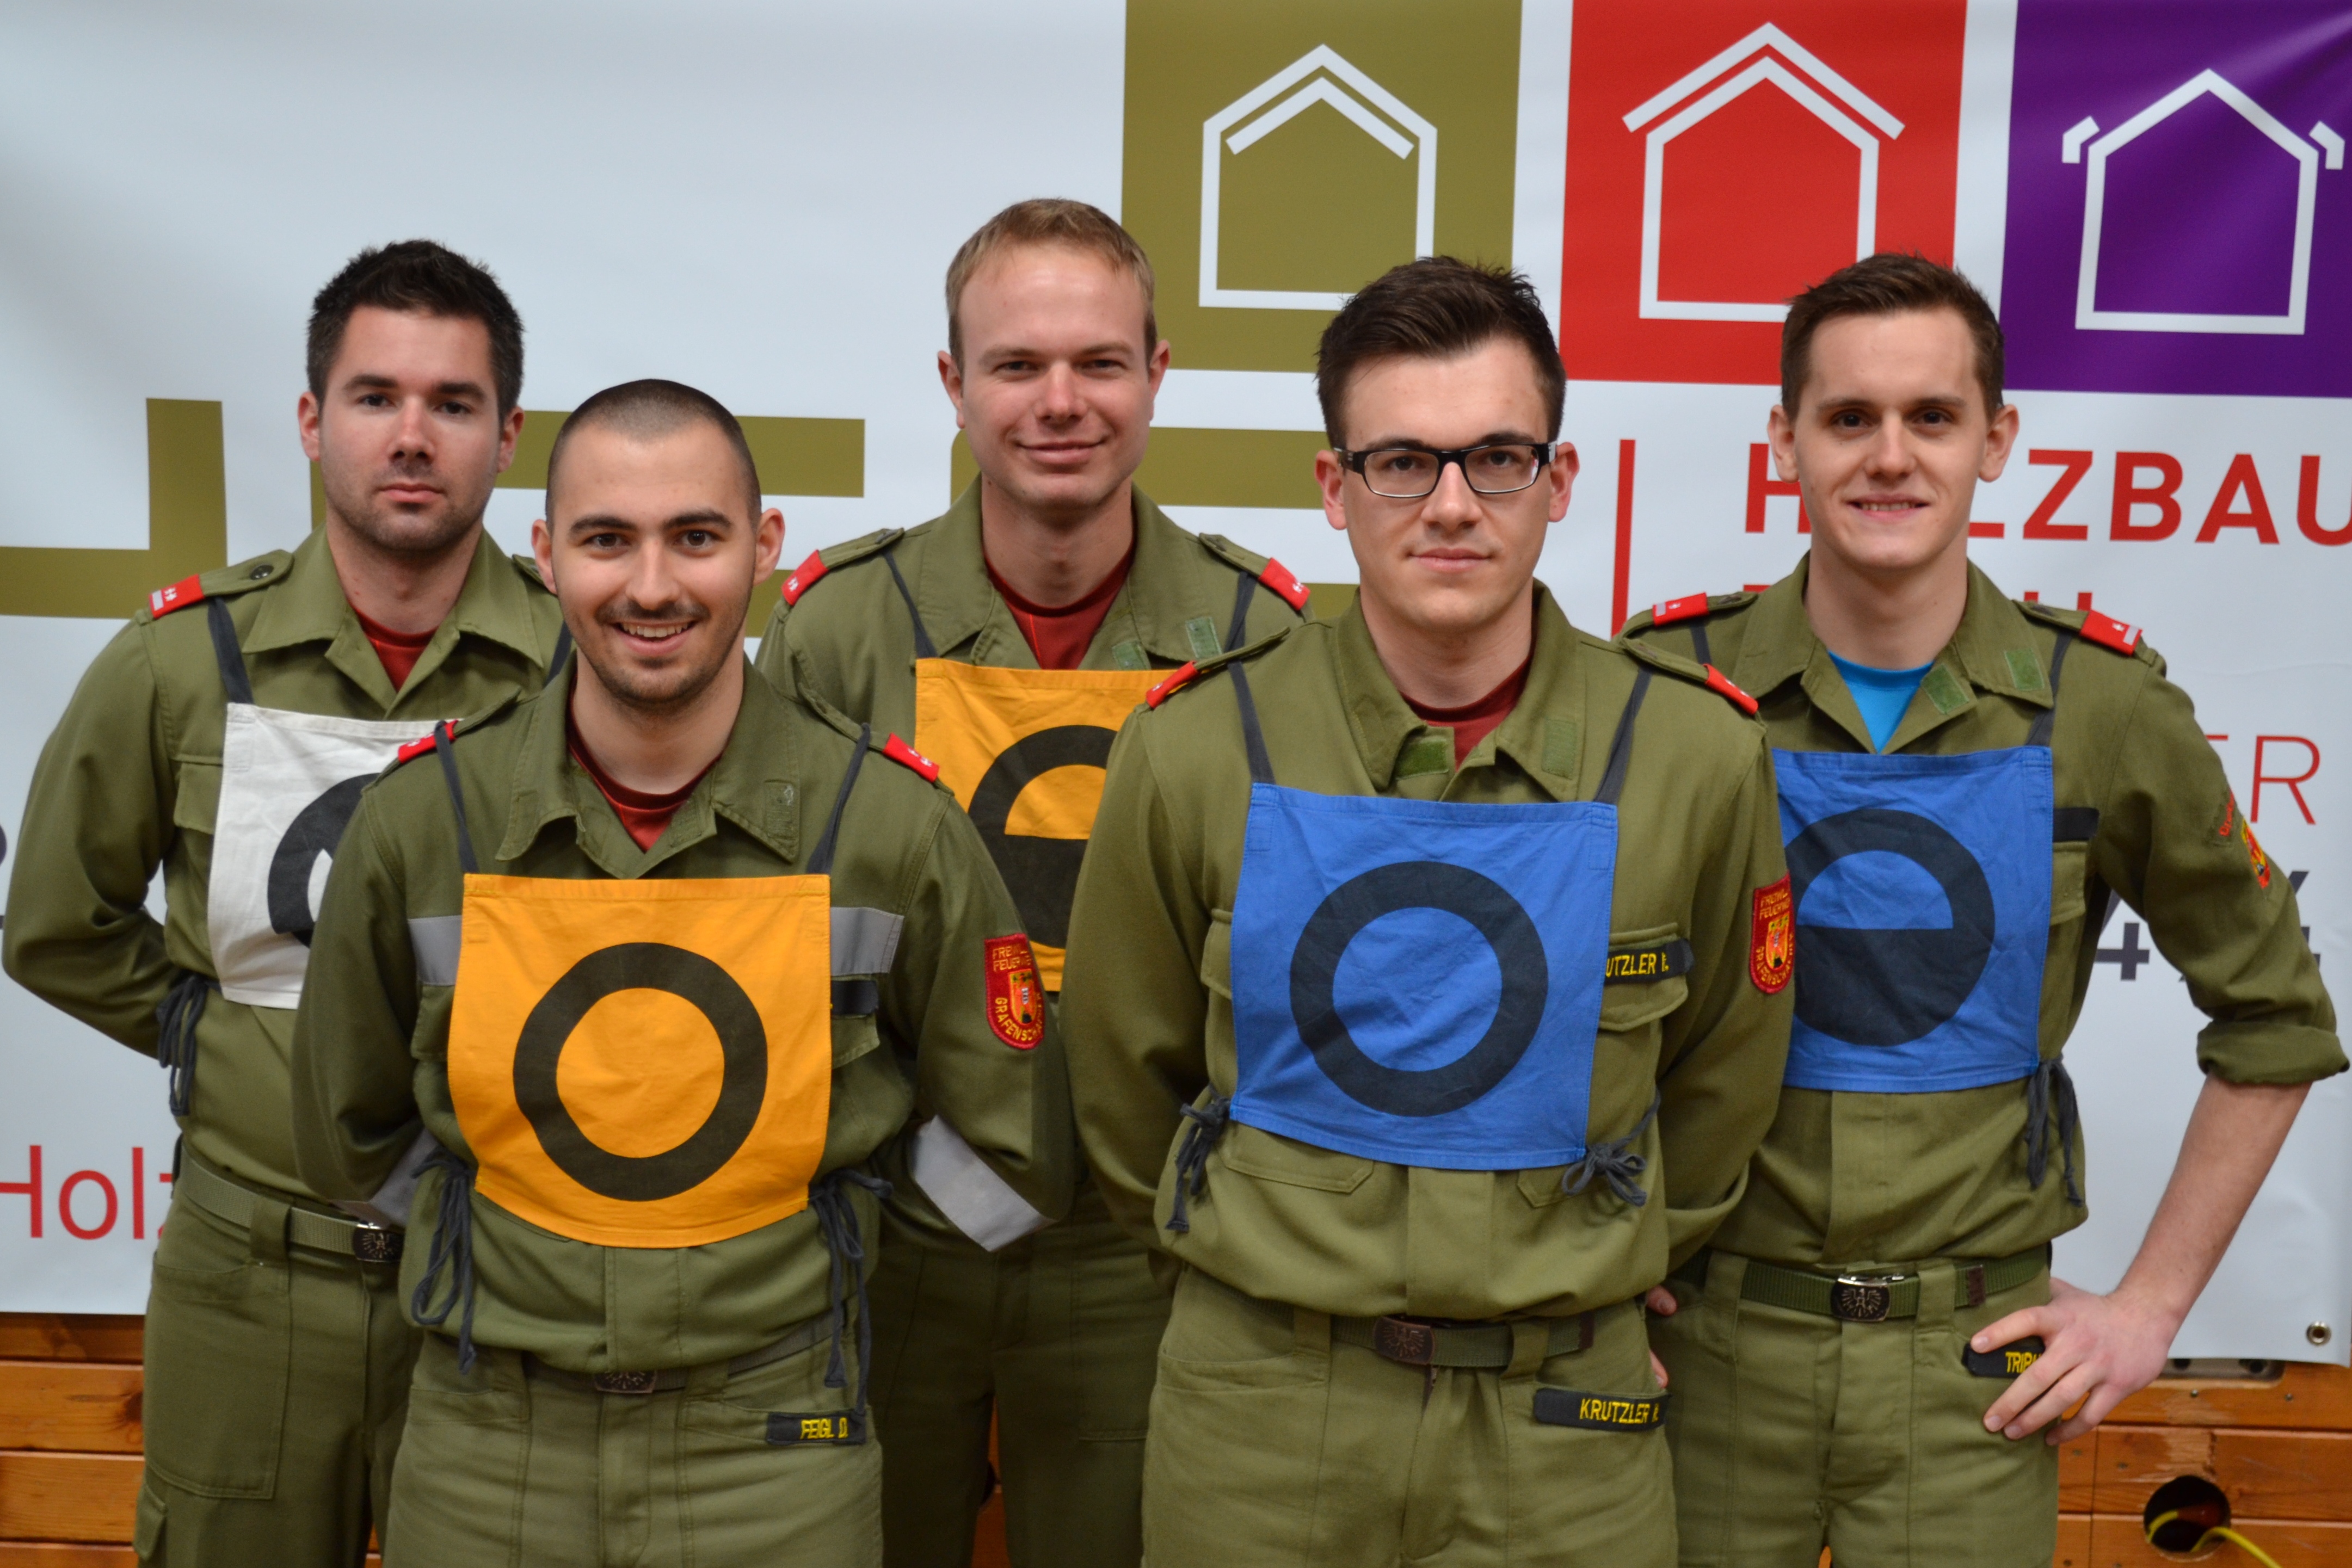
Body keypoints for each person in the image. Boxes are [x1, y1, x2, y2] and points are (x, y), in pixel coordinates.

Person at [1058, 256, 1795, 1568]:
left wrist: (1596, 1260)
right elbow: (1125, 1082)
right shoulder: (1194, 751)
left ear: (1558, 482)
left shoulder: (1694, 757)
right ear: (1332, 486)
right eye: (1402, 461)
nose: (1452, 505)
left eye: (1497, 458)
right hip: (1260, 1423)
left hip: (1567, 1434)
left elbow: (1725, 1077)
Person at [1624, 253, 2343, 1568]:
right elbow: (1554, 997)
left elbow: (2277, 1024)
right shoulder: (1664, 690)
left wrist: (2148, 1307)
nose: (1889, 456)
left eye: (1932, 417)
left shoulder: (2104, 707)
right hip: (1703, 1357)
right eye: (1849, 417)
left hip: (1970, 1383)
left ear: (1995, 439)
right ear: (1784, 439)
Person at [290, 378, 1071, 1566]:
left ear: (763, 546)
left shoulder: (889, 826)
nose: (651, 586)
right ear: (546, 554)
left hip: (779, 1444)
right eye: (607, 539)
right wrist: (511, 1246)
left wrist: (827, 1234)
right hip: (486, 1441)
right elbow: (346, 1134)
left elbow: (1015, 1153)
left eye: (695, 537)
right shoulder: (422, 822)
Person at [755, 197, 1306, 1568]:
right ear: (953, 384)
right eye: (1015, 365)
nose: (1060, 402)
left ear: (1157, 374)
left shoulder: (1260, 638)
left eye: (1099, 362)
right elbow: (764, 947)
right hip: (890, 1235)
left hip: (1141, 1248)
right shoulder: (836, 630)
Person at [3, 240, 562, 1565]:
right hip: (246, 1277)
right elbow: (58, 923)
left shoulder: (578, 671)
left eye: (453, 403)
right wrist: (210, 1033)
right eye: (375, 397)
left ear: (507, 437)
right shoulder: (181, 661)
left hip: (496, 1279)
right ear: (313, 421)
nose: (412, 436)